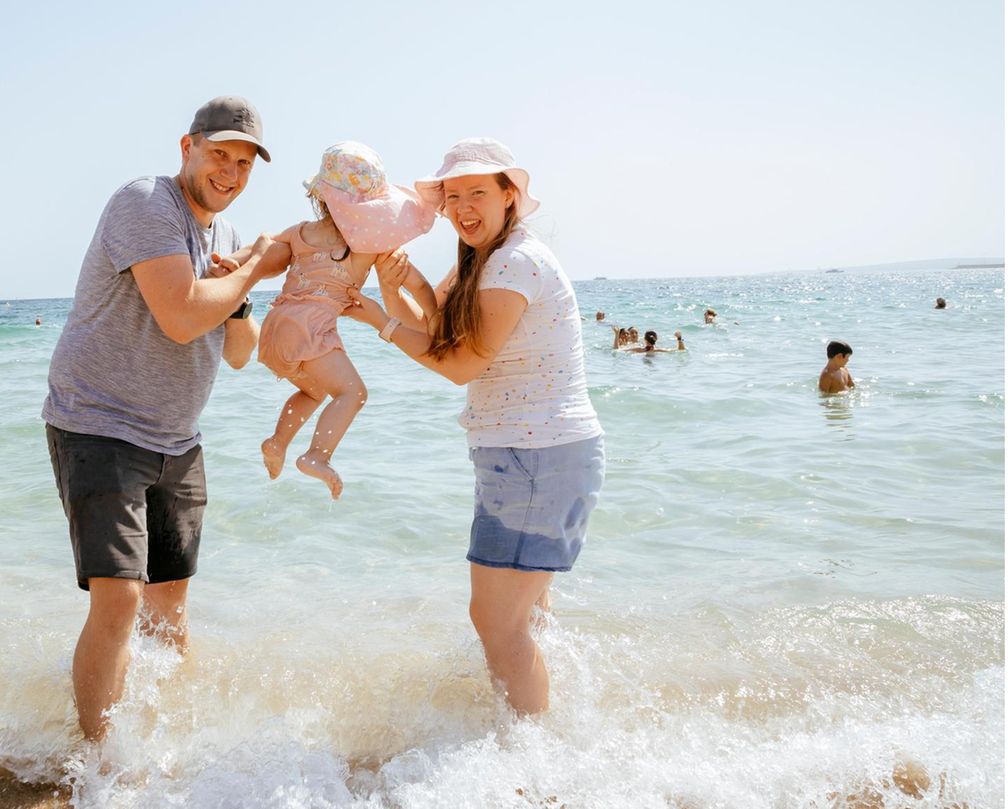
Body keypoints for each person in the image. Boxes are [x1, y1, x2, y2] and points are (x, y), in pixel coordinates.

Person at [40, 96, 288, 743]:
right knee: (119, 598)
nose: (230, 173)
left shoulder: (228, 238)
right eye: (219, 155)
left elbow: (239, 352)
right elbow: (179, 314)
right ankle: (99, 765)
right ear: (187, 147)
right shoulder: (146, 202)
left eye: (244, 162)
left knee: (168, 605)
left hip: (177, 439)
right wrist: (256, 268)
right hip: (99, 423)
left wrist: (239, 287)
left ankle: (165, 737)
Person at [345, 137, 604, 716]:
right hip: (533, 454)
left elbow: (461, 365)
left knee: (496, 621)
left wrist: (379, 323)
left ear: (510, 195)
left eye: (478, 192)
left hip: (536, 456)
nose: (463, 206)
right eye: (453, 194)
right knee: (524, 617)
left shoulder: (513, 263)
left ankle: (526, 763)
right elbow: (439, 329)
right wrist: (399, 283)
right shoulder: (481, 258)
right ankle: (544, 746)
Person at [246, 141, 436, 498]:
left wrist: (231, 265)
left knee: (313, 391)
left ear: (321, 197)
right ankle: (317, 455)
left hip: (274, 328)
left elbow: (261, 249)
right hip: (310, 329)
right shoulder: (372, 245)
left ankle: (277, 442)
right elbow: (417, 283)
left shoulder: (301, 230)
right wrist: (435, 314)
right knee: (353, 393)